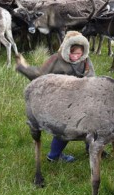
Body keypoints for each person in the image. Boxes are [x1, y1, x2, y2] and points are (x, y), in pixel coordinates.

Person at [15, 31, 95, 163]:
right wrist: (23, 68)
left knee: (92, 124)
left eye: (78, 54)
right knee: (64, 128)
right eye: (73, 53)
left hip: (82, 98)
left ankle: (92, 148)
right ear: (66, 48)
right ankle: (54, 155)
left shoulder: (85, 61)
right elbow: (40, 75)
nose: (75, 57)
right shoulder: (55, 60)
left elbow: (91, 77)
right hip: (61, 101)